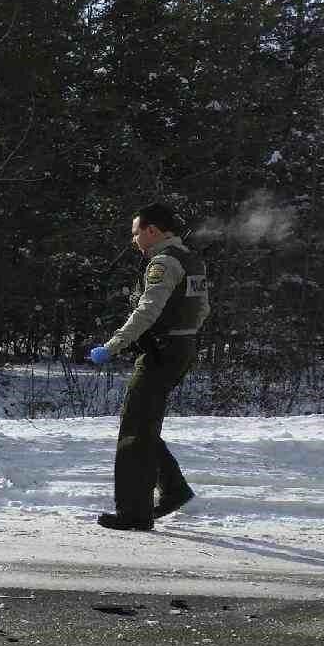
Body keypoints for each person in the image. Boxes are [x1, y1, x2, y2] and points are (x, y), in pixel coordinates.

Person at [87, 201, 209, 531]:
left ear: (152, 230)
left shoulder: (164, 262)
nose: (134, 240)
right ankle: (173, 489)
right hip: (181, 348)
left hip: (161, 352)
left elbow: (147, 311)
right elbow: (202, 310)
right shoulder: (191, 259)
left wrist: (111, 346)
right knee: (143, 424)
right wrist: (184, 336)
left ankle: (134, 513)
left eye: (136, 233)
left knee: (134, 430)